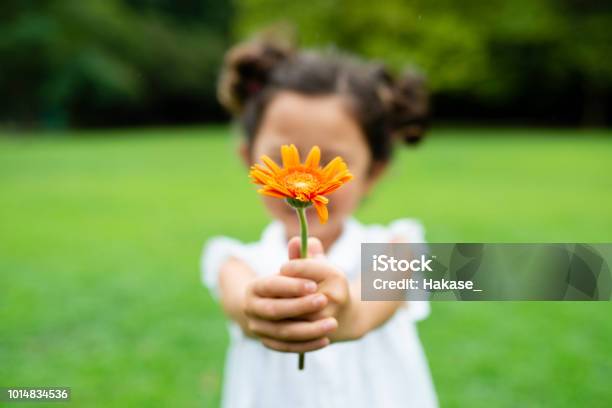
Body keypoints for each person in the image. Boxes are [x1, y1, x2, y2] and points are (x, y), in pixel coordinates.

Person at [202, 36, 437, 408]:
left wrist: (346, 315)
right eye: (281, 159)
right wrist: (262, 310)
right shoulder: (235, 262)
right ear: (250, 160)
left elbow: (369, 305)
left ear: (373, 171)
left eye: (329, 162)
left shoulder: (395, 247)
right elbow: (242, 303)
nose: (304, 174)